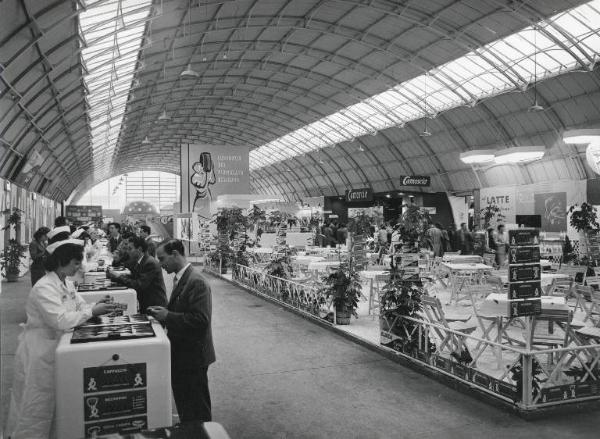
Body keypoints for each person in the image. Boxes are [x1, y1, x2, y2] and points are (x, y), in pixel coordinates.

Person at [5, 240, 115, 439]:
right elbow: (60, 320)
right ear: (62, 261)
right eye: (75, 262)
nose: (79, 267)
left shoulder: (67, 282)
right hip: (40, 351)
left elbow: (79, 307)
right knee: (37, 404)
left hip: (59, 348)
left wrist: (95, 305)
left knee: (57, 402)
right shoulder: (44, 288)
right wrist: (92, 311)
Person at [148, 239, 215, 423]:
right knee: (185, 403)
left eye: (162, 259)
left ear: (175, 254)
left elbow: (201, 320)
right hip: (182, 353)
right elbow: (182, 310)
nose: (161, 265)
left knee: (197, 407)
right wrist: (163, 312)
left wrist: (167, 316)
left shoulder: (197, 282)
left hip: (193, 355)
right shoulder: (181, 278)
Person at [107, 235, 167, 312]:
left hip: (155, 305)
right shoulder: (140, 260)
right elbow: (134, 277)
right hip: (146, 302)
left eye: (130, 249)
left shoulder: (150, 263)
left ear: (139, 249)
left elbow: (139, 284)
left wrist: (119, 277)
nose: (127, 251)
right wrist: (117, 276)